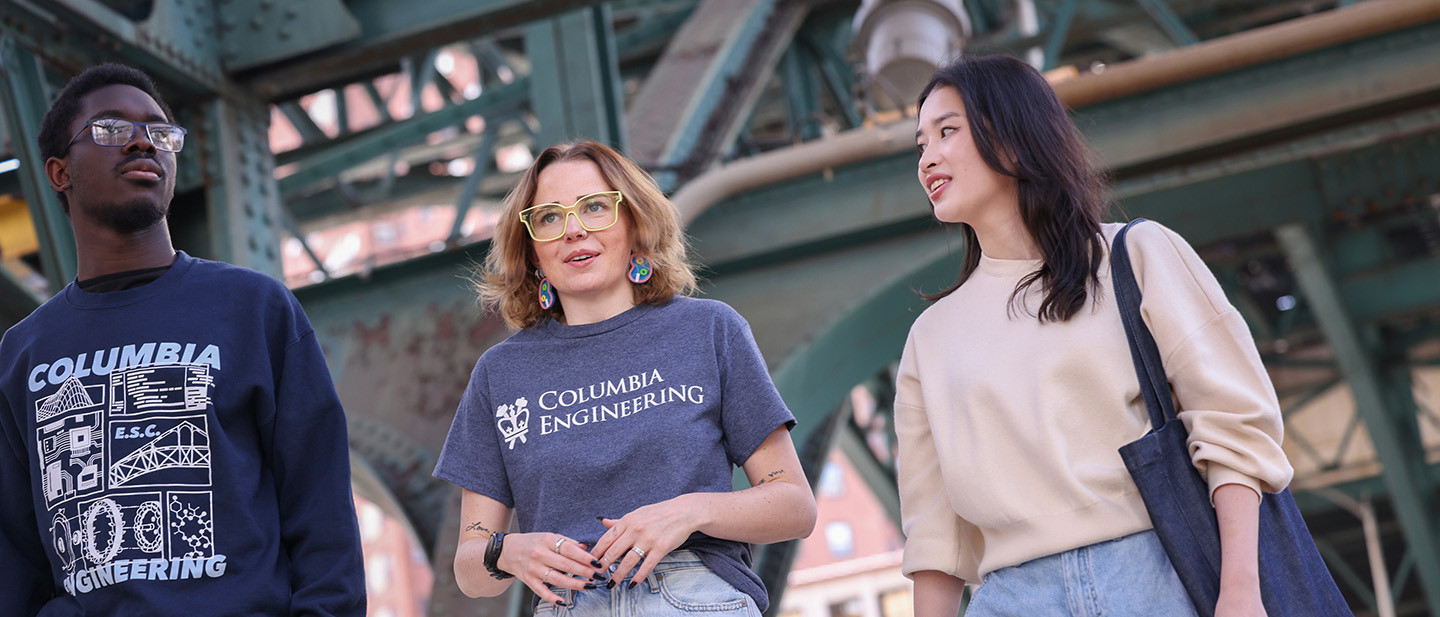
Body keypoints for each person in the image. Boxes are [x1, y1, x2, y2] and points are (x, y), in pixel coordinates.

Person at [898, 54, 1294, 617]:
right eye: (920, 145)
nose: (927, 157)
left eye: (946, 132)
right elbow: (936, 536)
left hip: (1161, 578)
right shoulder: (929, 339)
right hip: (1012, 599)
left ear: (1012, 138)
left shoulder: (1137, 257)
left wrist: (1240, 591)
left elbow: (1233, 429)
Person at [0, 64, 366, 616]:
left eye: (161, 131)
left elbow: (322, 512)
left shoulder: (256, 310)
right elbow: (14, 558)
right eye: (110, 129)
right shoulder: (20, 354)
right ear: (59, 172)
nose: (143, 141)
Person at [432, 139, 816, 616]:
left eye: (595, 207)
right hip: (568, 603)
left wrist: (691, 511)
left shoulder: (709, 330)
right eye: (549, 217)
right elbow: (470, 570)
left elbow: (794, 506)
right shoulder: (500, 374)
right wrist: (506, 552)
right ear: (532, 251)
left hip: (693, 593)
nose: (573, 230)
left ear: (634, 224)